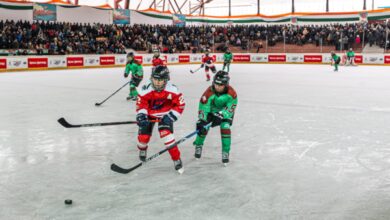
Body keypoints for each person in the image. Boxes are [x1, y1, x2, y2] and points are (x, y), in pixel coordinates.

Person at [135, 65, 186, 173]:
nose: (157, 82)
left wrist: (170, 117)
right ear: (151, 78)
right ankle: (143, 149)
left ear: (166, 80)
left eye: (161, 80)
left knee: (168, 138)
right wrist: (141, 115)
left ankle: (176, 159)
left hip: (165, 116)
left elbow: (180, 105)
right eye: (155, 79)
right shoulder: (145, 90)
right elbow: (141, 105)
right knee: (143, 139)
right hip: (150, 115)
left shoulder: (173, 90)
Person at [193, 70, 238, 166]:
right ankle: (198, 145)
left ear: (226, 85)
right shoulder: (209, 91)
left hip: (225, 113)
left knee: (225, 127)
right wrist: (202, 120)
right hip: (211, 111)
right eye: (215, 84)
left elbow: (230, 108)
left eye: (220, 85)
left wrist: (221, 114)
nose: (217, 87)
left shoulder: (232, 94)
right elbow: (203, 107)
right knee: (203, 128)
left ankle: (225, 152)